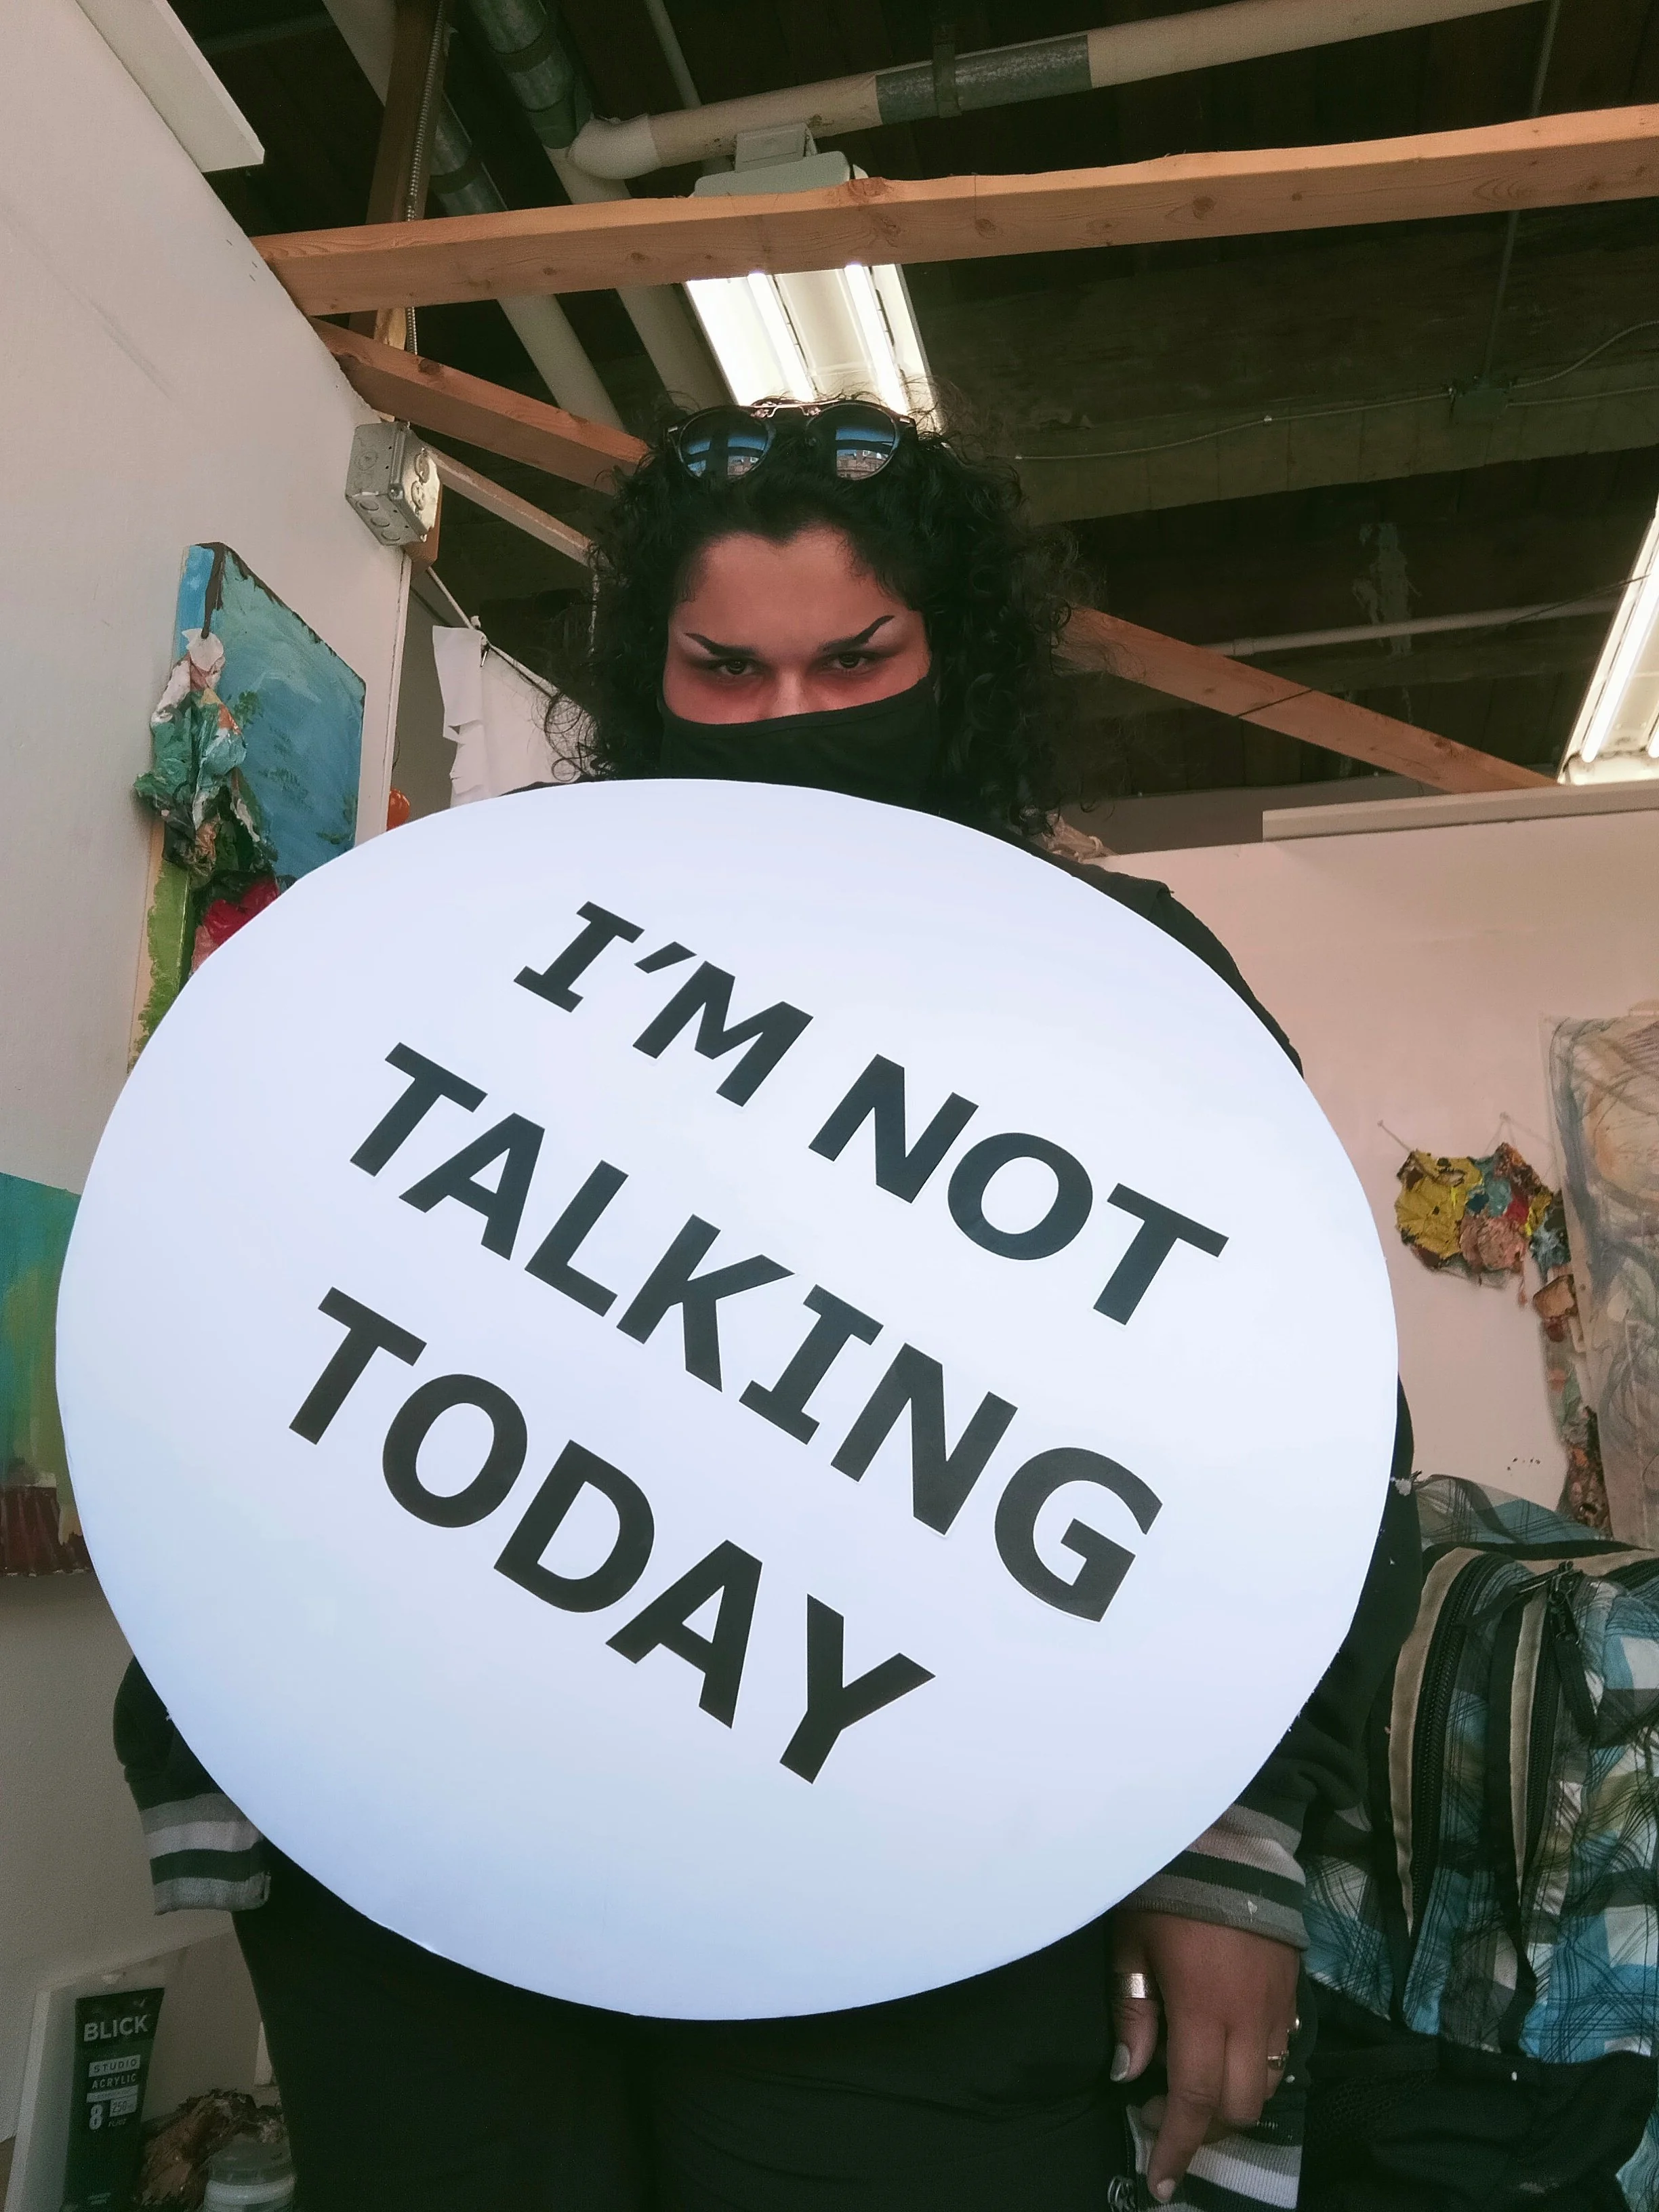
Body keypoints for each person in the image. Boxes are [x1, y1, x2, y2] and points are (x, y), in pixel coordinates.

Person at [116, 398, 1420, 2212]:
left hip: (913, 1866)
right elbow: (263, 1284)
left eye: (856, 659)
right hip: (442, 1826)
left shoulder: (1130, 989)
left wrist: (1230, 1858)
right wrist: (230, 1691)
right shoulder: (491, 932)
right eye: (725, 669)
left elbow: (1294, 1449)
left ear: (954, 658)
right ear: (647, 665)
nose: (795, 720)